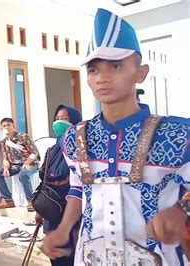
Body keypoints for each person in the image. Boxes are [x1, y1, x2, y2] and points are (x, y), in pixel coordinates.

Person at [41, 8, 190, 265]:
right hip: (92, 258)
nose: (103, 78)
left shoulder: (178, 136)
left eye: (116, 65)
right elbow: (78, 188)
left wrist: (182, 212)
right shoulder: (75, 138)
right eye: (93, 69)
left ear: (141, 72)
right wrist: (64, 228)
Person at [34, 104, 82, 266]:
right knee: (56, 257)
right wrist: (41, 210)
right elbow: (46, 178)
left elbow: (66, 178)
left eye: (65, 119)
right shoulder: (53, 149)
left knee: (72, 256)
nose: (59, 122)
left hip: (73, 211)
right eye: (57, 119)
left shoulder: (80, 149)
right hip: (52, 212)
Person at [0, 117, 40, 211]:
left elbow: (34, 153)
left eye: (9, 125)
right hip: (15, 166)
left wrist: (27, 162)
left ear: (13, 126)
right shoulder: (3, 142)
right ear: (2, 128)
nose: (7, 127)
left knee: (23, 175)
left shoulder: (23, 137)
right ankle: (8, 200)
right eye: (4, 126)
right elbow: (6, 158)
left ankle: (31, 201)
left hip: (30, 164)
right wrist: (6, 168)